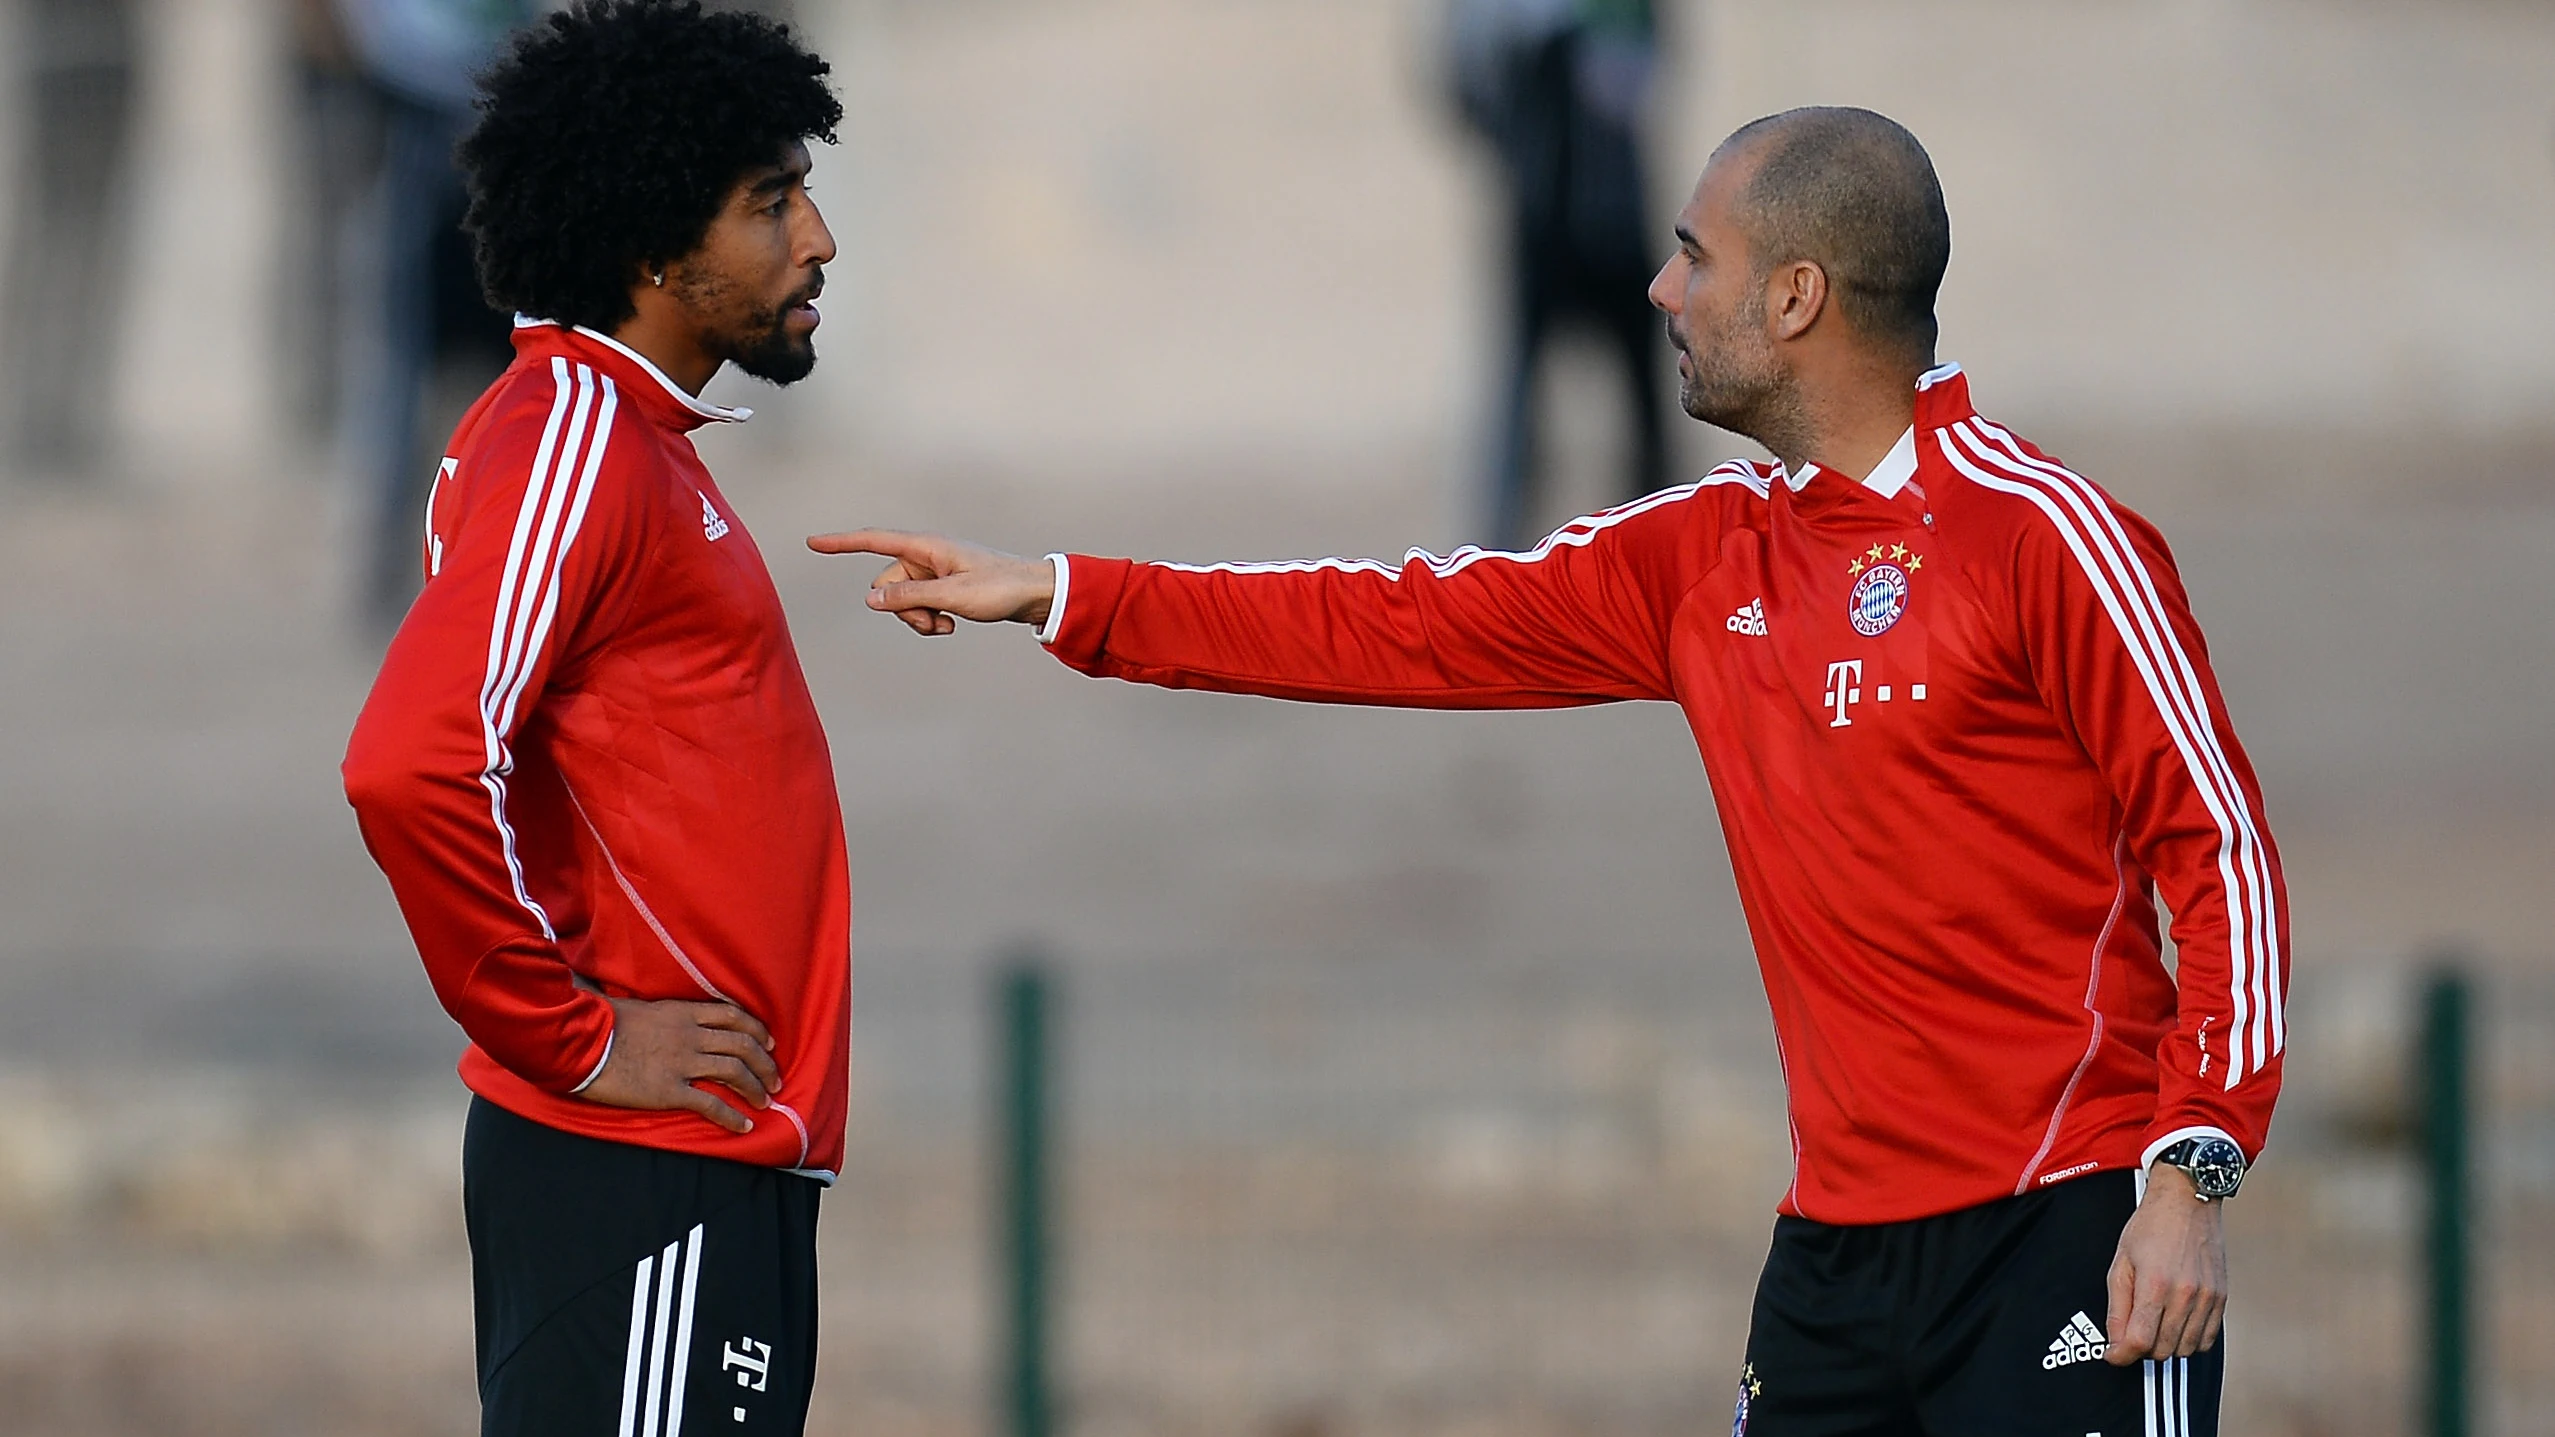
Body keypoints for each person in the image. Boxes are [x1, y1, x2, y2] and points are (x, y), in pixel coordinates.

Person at [816, 108, 2287, 1436]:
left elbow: (2216, 853)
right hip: (1832, 1262)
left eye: (1689, 256)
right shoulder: (1701, 555)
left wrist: (2188, 1181)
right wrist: (1066, 592)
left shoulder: (2046, 538)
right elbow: (1387, 620)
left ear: (1794, 298)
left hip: (2069, 1227)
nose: (1656, 289)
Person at [341, 4, 847, 1432]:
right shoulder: (572, 435)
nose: (817, 239)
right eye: (770, 203)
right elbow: (410, 761)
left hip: (703, 1161)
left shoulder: (628, 440)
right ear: (649, 252)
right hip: (641, 1162)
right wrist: (565, 1035)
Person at [1449, 0, 1669, 548]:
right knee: (1520, 402)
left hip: (1613, 214)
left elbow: (1648, 60)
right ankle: (1494, 561)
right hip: (1541, 216)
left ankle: (1660, 552)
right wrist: (1522, 141)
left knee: (1646, 402)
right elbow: (1460, 83)